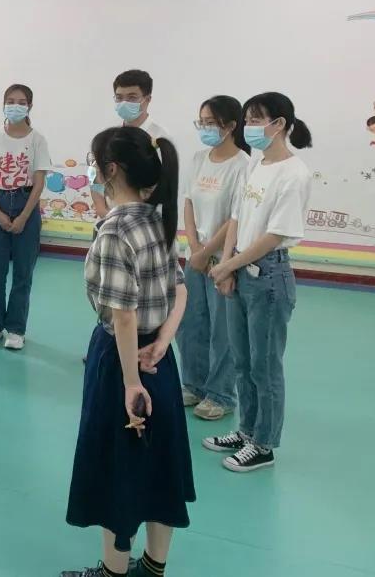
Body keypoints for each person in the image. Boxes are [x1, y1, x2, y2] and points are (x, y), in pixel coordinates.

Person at [64, 126, 194, 577]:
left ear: (111, 169)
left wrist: (132, 384)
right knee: (158, 463)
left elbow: (122, 315)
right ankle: (154, 567)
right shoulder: (159, 220)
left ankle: (113, 570)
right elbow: (180, 291)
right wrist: (162, 342)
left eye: (94, 163)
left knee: (116, 464)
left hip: (121, 362)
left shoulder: (115, 230)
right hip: (159, 356)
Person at [205, 93, 313, 473]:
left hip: (269, 277)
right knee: (242, 361)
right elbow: (236, 216)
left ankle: (263, 444)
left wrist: (228, 265)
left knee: (264, 367)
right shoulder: (256, 163)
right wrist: (227, 265)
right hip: (240, 268)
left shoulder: (294, 174)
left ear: (279, 124)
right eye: (248, 119)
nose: (249, 127)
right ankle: (247, 430)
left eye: (256, 119)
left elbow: (273, 235)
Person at [176, 97, 250, 422]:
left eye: (211, 123)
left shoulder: (244, 165)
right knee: (190, 323)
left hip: (223, 259)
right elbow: (188, 203)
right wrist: (195, 248)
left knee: (223, 330)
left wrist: (208, 253)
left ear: (230, 126)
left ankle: (221, 395)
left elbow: (235, 217)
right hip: (194, 257)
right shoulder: (198, 159)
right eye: (201, 122)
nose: (204, 128)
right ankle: (193, 384)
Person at [0, 83, 52, 350]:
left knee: (23, 272)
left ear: (30, 106)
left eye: (21, 102)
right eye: (10, 101)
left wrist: (23, 216)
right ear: (3, 104)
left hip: (26, 204)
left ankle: (16, 329)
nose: (15, 106)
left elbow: (39, 182)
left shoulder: (37, 140)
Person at [92, 70, 169, 221]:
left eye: (132, 97)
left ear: (147, 99)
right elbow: (93, 172)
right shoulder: (109, 134)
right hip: (106, 218)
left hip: (141, 219)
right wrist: (101, 208)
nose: (124, 103)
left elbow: (163, 183)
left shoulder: (160, 137)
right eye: (119, 97)